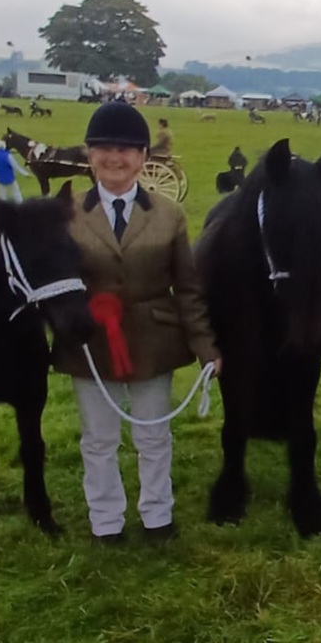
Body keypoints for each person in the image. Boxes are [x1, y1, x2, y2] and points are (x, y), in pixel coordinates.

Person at [52, 102, 220, 544]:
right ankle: (105, 520)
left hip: (153, 340)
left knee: (153, 434)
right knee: (99, 438)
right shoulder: (65, 212)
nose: (114, 158)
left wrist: (206, 346)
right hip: (89, 341)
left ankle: (156, 516)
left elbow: (188, 287)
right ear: (89, 154)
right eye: (103, 148)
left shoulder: (169, 214)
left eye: (126, 149)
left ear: (144, 157)